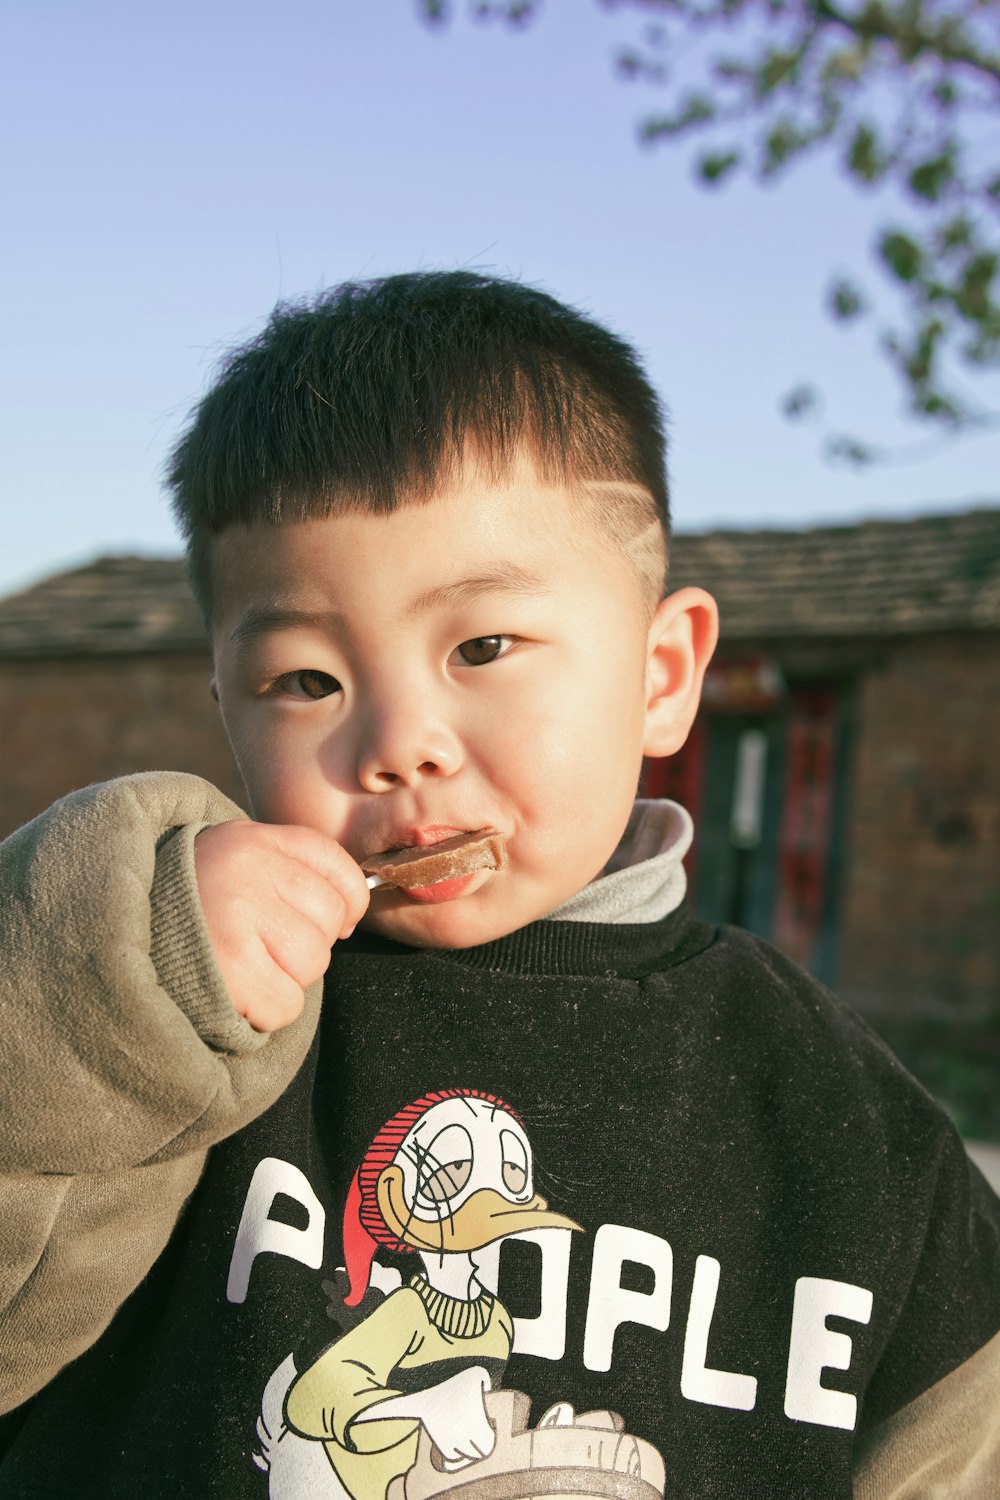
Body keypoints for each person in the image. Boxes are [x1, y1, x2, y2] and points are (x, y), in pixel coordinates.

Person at [0, 271, 997, 1500]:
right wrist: (107, 993)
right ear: (227, 711)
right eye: (306, 680)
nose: (399, 741)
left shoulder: (845, 1129)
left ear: (661, 673)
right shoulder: (187, 1020)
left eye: (482, 647)